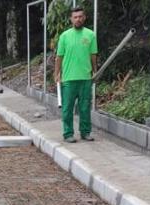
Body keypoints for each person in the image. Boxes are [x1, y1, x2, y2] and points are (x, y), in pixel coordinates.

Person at [54, 7, 98, 143]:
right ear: (71, 19)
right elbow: (59, 57)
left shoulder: (90, 35)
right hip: (68, 78)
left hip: (85, 78)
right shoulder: (64, 36)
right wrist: (57, 74)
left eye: (80, 16)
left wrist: (95, 71)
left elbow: (93, 55)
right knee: (67, 108)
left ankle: (85, 132)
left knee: (85, 107)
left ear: (84, 18)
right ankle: (68, 134)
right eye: (75, 17)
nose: (78, 19)